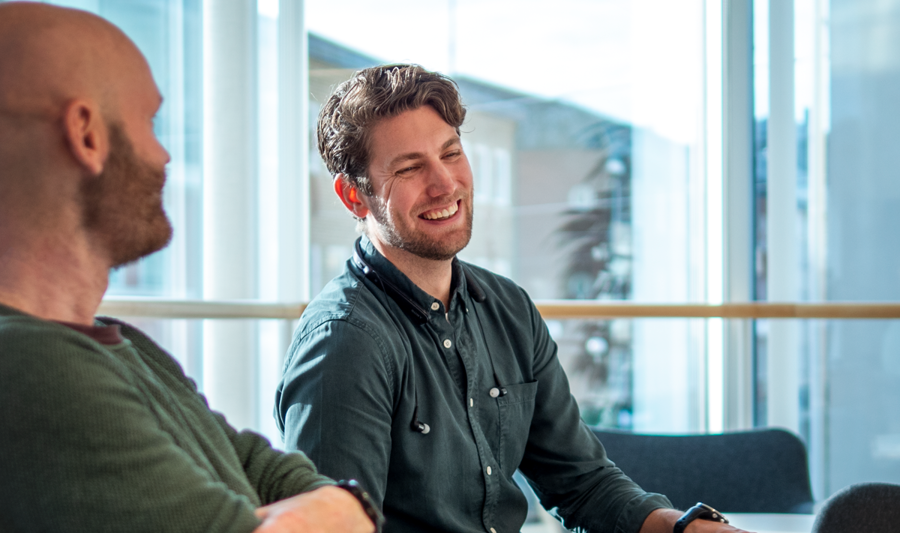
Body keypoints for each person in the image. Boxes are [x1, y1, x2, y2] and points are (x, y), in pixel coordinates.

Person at [274, 64, 750, 533]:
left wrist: (684, 528)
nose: (444, 184)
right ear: (354, 197)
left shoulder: (508, 308)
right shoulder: (343, 344)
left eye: (451, 153)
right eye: (410, 168)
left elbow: (582, 485)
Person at [0, 3, 380, 532]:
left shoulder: (125, 347)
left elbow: (265, 469)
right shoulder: (31, 366)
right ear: (86, 135)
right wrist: (334, 510)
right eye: (149, 122)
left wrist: (329, 508)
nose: (164, 156)